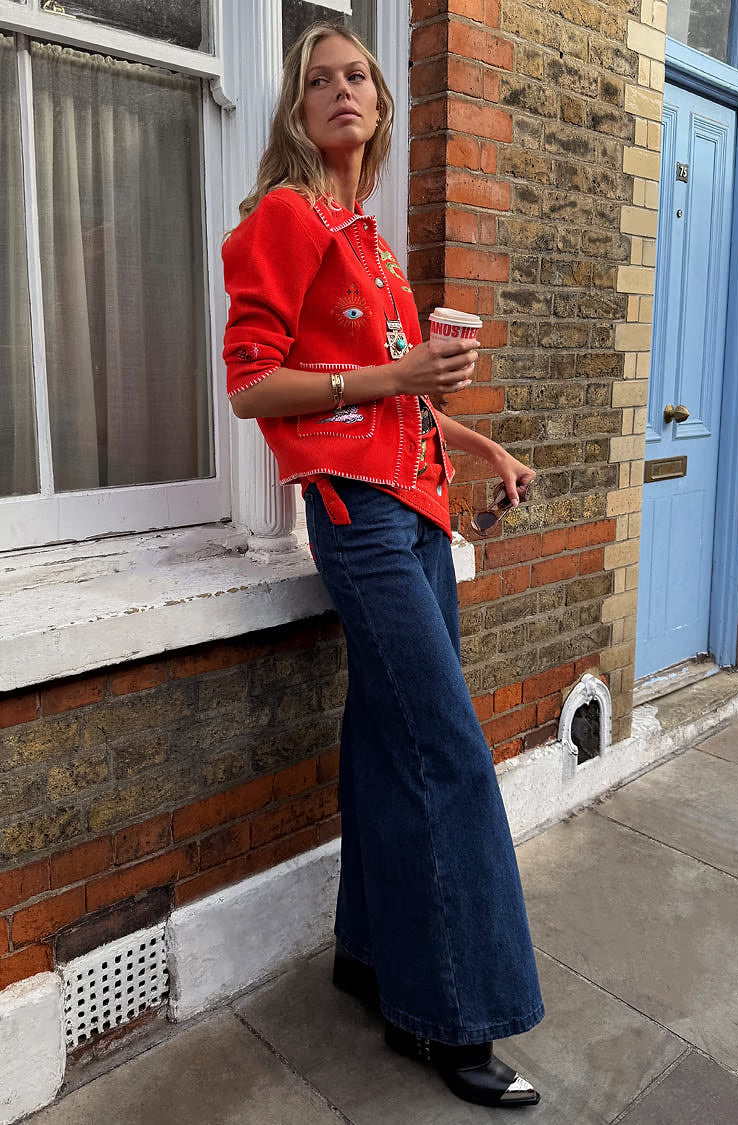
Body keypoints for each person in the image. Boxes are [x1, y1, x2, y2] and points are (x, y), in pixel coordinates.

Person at [222, 22, 544, 1109]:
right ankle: (453, 1014)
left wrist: (482, 447)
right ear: (296, 109)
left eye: (356, 74)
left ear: (380, 101)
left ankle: (367, 954)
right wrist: (395, 376)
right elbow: (253, 385)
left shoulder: (372, 242)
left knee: (382, 739)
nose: (341, 89)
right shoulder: (285, 217)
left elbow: (402, 397)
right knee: (448, 752)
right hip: (357, 519)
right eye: (318, 80)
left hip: (416, 512)